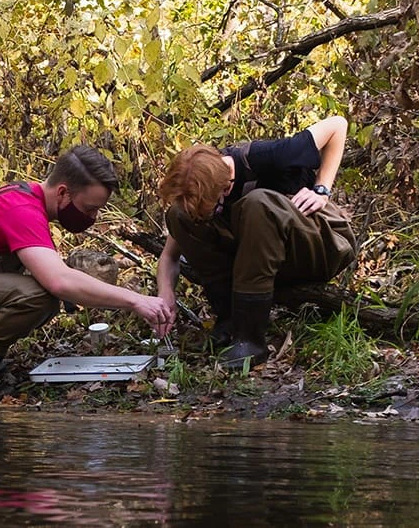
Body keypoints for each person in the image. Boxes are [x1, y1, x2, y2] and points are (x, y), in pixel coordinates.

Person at [0, 145, 175, 402]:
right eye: (90, 208)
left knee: (40, 291)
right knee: (38, 295)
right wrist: (136, 301)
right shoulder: (21, 209)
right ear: (63, 192)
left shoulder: (26, 201)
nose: (93, 218)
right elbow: (59, 281)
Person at [154, 115, 359, 369]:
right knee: (178, 216)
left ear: (226, 188)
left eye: (207, 210)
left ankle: (250, 339)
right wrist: (166, 294)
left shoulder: (272, 156)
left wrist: (322, 189)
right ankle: (230, 320)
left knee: (258, 204)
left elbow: (338, 125)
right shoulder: (199, 189)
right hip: (263, 260)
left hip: (320, 246)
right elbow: (169, 256)